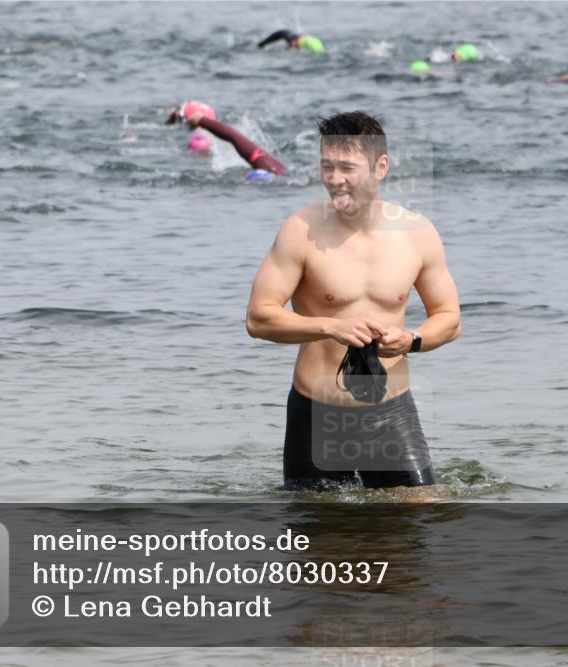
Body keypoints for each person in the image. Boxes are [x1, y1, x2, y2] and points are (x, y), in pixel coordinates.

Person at [245, 111, 461, 491]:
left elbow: (448, 318)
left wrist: (411, 339)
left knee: (420, 522)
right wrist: (329, 325)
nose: (334, 179)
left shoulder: (417, 234)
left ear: (381, 167)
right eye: (327, 166)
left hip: (391, 413)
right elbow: (259, 319)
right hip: (316, 415)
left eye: (347, 167)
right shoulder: (300, 231)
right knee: (319, 540)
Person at [166, 101, 286, 178]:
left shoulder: (270, 167)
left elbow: (233, 137)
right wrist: (202, 121)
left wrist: (202, 121)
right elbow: (233, 137)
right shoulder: (273, 168)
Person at [258, 29, 325, 54]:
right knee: (261, 45)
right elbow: (295, 44)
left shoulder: (312, 46)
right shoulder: (290, 38)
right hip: (283, 34)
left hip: (300, 39)